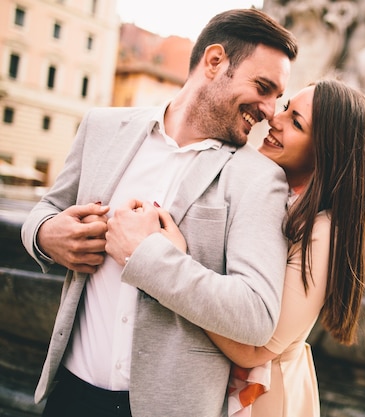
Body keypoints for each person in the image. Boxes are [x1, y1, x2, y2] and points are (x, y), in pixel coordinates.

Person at [20, 8, 297, 417]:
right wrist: (45, 234)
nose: (271, 111)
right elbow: (47, 208)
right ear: (215, 61)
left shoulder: (259, 179)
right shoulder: (100, 127)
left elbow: (255, 316)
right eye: (263, 87)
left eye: (278, 97)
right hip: (69, 394)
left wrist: (147, 256)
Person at [138, 79, 365, 416]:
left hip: (263, 401)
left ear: (326, 152)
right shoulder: (271, 196)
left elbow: (254, 348)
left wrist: (171, 262)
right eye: (285, 109)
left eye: (296, 123)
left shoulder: (323, 232)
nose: (274, 120)